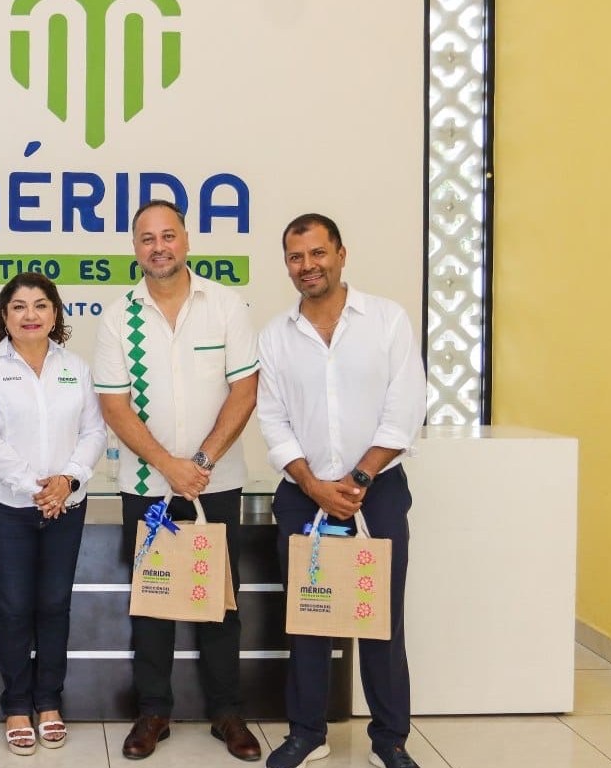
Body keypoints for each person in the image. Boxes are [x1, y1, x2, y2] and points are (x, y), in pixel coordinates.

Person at [92, 199, 262, 761]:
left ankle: (227, 712)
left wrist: (202, 462)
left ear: (186, 240)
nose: (158, 246)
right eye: (147, 238)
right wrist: (169, 465)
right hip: (147, 486)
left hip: (217, 482)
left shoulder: (225, 305)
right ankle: (154, 712)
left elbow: (244, 391)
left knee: (222, 603)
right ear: (135, 248)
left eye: (168, 235)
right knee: (152, 601)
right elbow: (114, 406)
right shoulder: (118, 316)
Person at [257, 213, 425, 768]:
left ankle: (390, 739)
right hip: (302, 495)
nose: (307, 266)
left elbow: (405, 408)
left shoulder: (386, 320)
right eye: (296, 257)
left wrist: (357, 480)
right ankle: (307, 733)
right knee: (309, 618)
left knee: (380, 618)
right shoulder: (276, 336)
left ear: (341, 254)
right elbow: (273, 419)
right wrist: (312, 484)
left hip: (376, 492)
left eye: (317, 253)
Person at [0, 272, 105, 756]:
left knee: (54, 604)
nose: (30, 315)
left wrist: (68, 480)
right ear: (4, 316)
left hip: (67, 503)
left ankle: (49, 702)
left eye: (41, 305)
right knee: (14, 605)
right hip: (6, 506)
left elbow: (94, 432)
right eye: (19, 306)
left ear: (55, 313)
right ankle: (17, 705)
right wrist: (35, 487)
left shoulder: (75, 367)